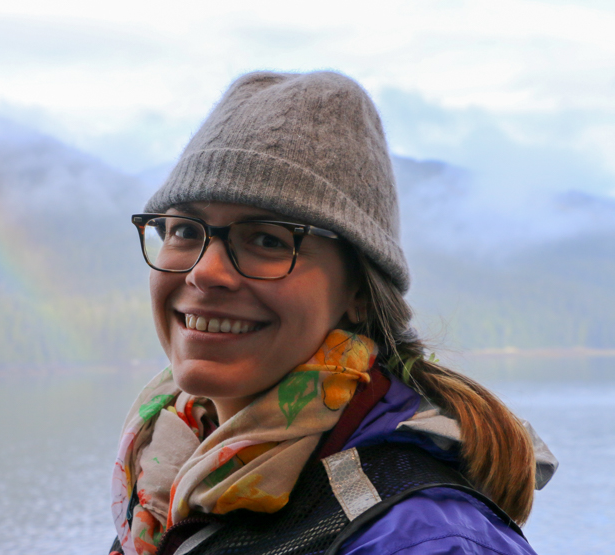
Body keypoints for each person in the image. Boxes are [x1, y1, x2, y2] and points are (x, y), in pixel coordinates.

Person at [109, 71, 556, 555]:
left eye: (266, 239)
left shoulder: (421, 536)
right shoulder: (166, 468)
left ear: (358, 292)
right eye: (184, 231)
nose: (206, 272)